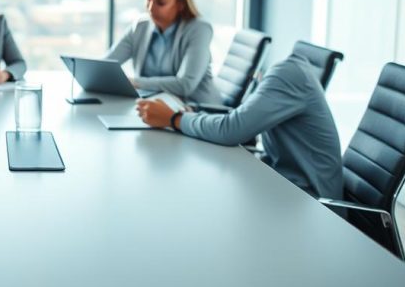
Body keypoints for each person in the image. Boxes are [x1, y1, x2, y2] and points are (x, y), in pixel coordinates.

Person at [135, 52, 342, 201]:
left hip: (312, 207)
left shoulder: (287, 75)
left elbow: (232, 129)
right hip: (281, 188)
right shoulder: (290, 72)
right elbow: (239, 119)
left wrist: (174, 119)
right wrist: (189, 115)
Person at [105, 0, 221, 102]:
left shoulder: (199, 29)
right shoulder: (140, 27)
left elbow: (185, 85)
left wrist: (135, 82)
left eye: (160, 3)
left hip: (197, 111)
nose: (150, 8)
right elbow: (107, 65)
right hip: (154, 106)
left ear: (181, 4)